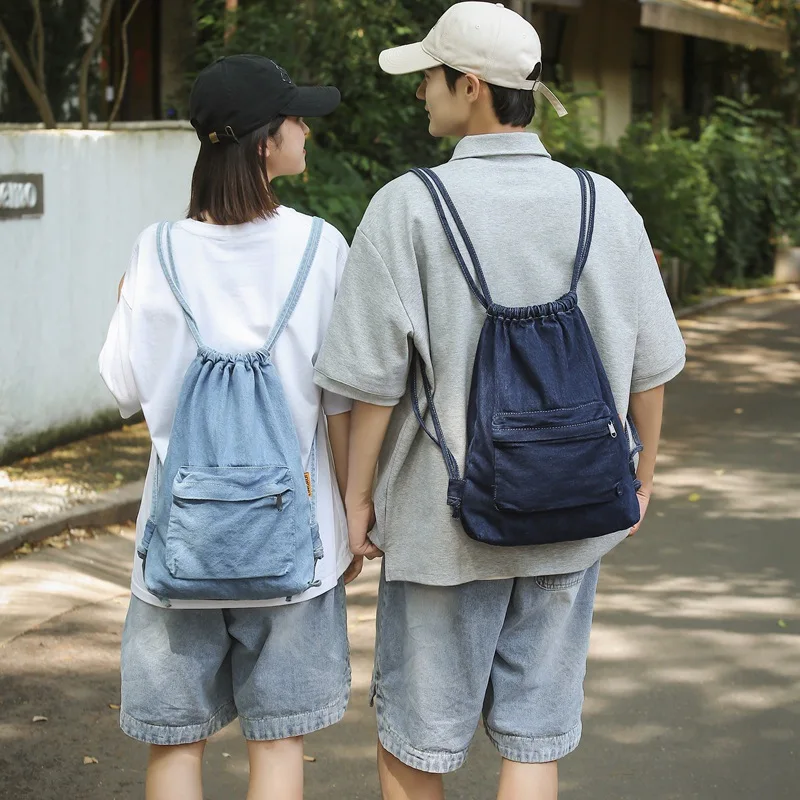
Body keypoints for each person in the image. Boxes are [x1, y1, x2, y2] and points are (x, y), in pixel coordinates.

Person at [313, 3, 686, 799]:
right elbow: (650, 368)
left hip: (441, 526)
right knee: (533, 741)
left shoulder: (407, 207)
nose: (421, 96)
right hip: (574, 512)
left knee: (416, 746)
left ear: (471, 87)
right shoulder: (603, 203)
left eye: (429, 80)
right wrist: (642, 478)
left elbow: (371, 384)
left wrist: (355, 502)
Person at [99, 55, 356, 800]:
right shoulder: (320, 248)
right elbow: (341, 405)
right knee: (277, 748)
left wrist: (125, 299)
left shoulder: (156, 250)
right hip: (295, 544)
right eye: (297, 118)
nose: (307, 129)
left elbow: (122, 386)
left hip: (176, 549)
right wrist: (354, 517)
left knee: (175, 748)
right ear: (263, 143)